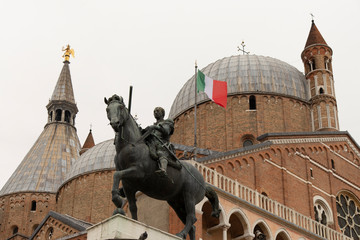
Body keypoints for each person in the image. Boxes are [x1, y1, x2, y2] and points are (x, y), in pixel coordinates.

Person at [144, 107, 174, 177]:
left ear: (162, 113)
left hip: (162, 144)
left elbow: (166, 131)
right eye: (154, 111)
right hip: (152, 144)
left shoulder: (167, 122)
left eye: (158, 111)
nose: (155, 112)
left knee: (160, 152)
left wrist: (156, 127)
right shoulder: (154, 125)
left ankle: (163, 169)